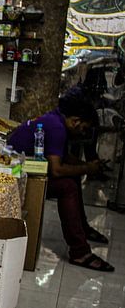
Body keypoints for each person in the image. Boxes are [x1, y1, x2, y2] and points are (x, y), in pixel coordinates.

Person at [7, 93, 114, 272]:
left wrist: (87, 165)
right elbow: (56, 169)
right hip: (16, 175)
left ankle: (83, 229)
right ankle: (79, 251)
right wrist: (88, 169)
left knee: (73, 176)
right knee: (67, 186)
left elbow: (62, 156)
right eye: (84, 128)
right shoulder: (57, 127)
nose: (83, 133)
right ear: (76, 121)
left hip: (24, 167)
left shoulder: (57, 118)